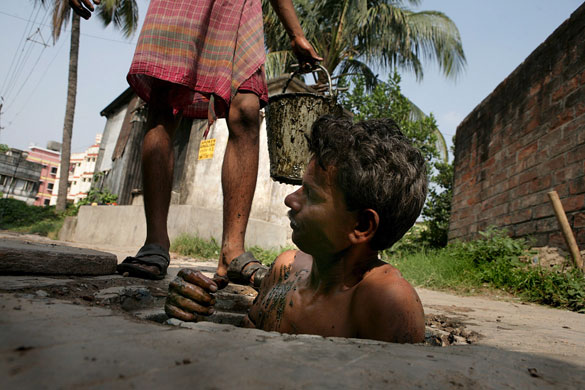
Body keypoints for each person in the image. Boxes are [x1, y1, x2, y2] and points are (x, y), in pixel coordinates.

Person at [69, 0, 322, 283]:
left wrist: (295, 33)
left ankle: (232, 251)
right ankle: (155, 243)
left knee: (248, 110)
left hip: (239, 7)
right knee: (164, 103)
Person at [165, 116, 429, 343]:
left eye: (311, 194)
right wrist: (194, 316)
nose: (290, 199)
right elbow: (244, 344)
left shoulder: (385, 302)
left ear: (360, 226)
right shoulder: (285, 270)